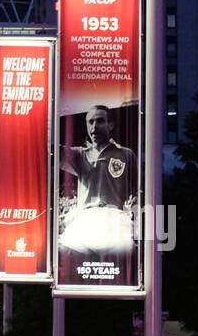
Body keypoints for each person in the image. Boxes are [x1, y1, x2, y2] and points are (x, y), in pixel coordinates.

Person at [58, 105, 138, 255]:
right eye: (90, 122)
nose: (94, 126)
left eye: (100, 121)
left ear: (111, 125)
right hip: (86, 218)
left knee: (128, 253)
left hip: (114, 218)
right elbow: (49, 149)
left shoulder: (126, 155)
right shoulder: (79, 154)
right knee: (64, 251)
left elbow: (139, 191)